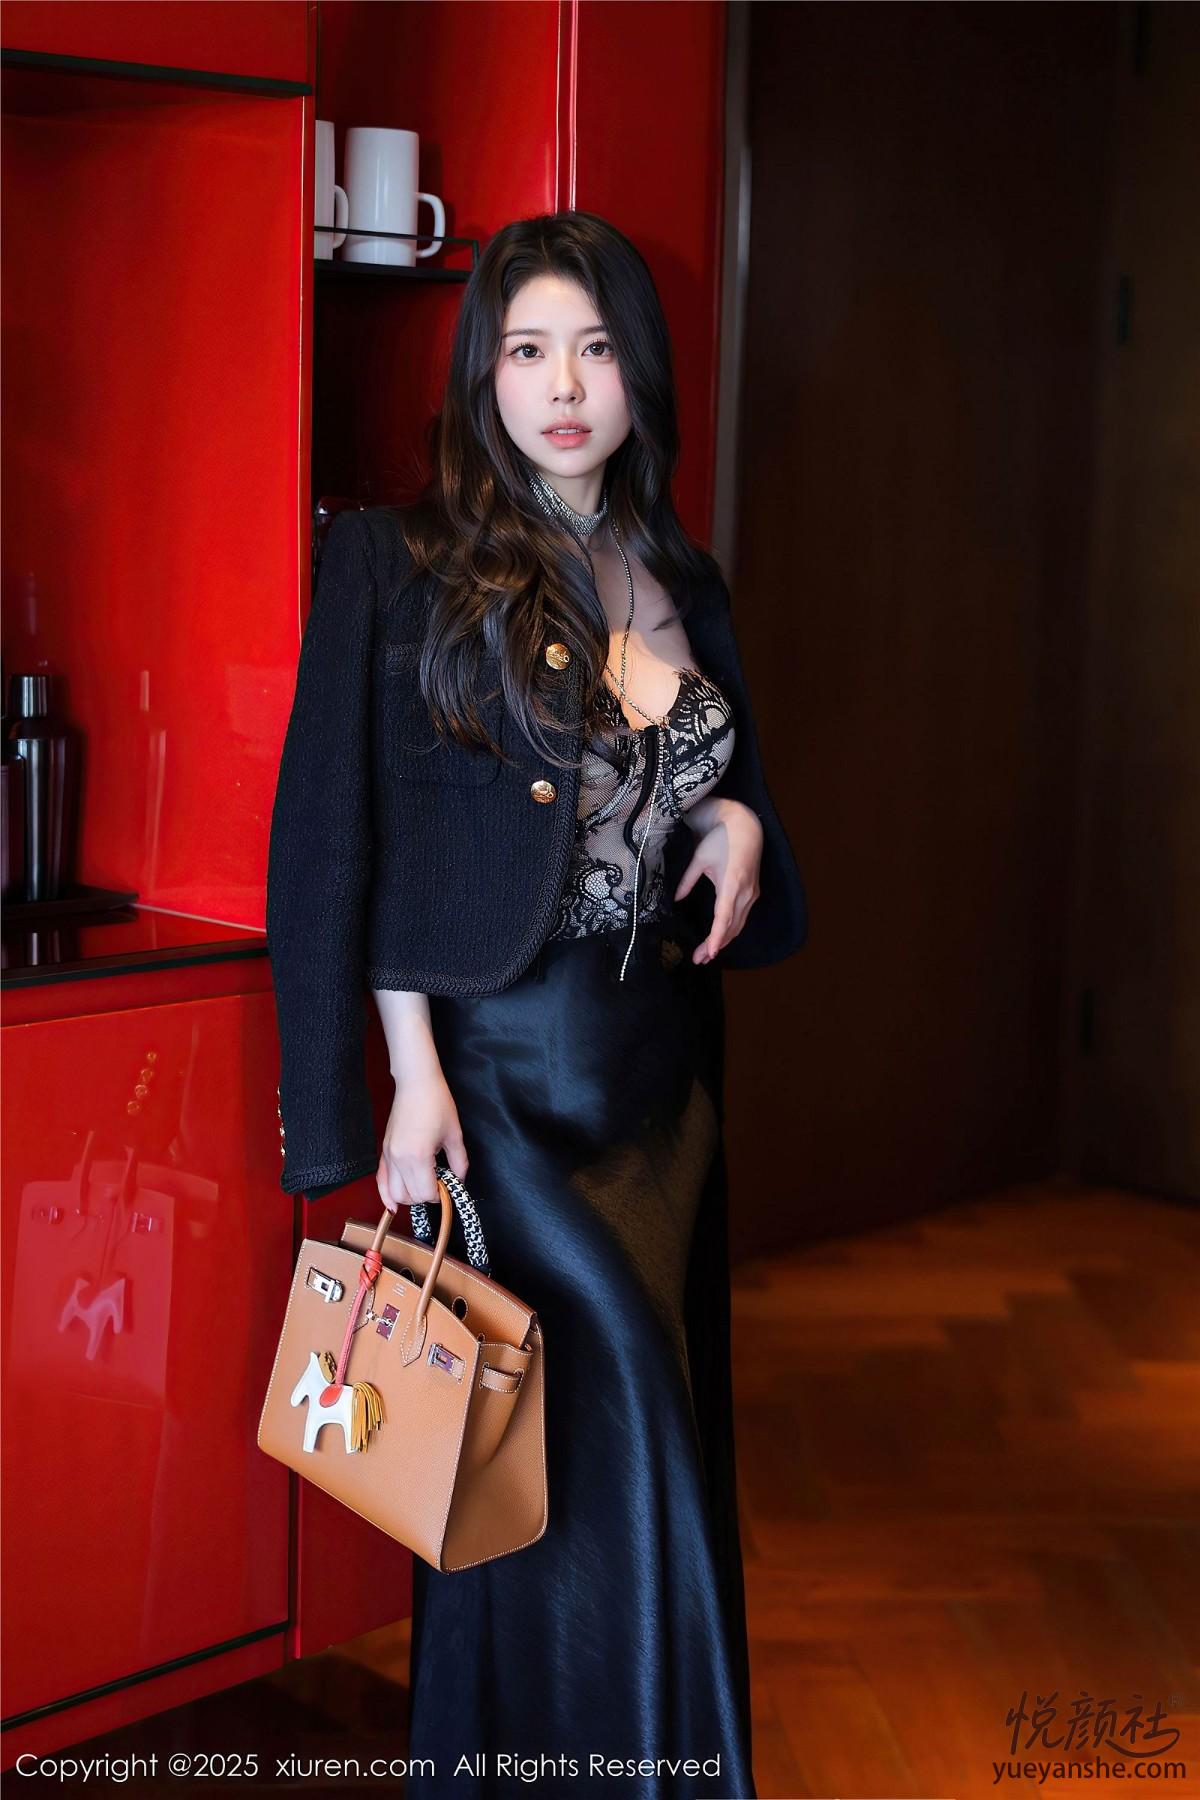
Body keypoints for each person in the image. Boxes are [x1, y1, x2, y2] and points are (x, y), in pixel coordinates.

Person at [266, 211, 808, 1800]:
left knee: (635, 1458)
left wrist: (737, 819)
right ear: (483, 371)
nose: (563, 388)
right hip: (499, 1083)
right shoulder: (398, 563)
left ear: (640, 374)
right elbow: (341, 841)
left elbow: (698, 779)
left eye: (594, 350)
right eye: (526, 350)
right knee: (552, 1451)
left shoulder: (680, 573)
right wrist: (404, 1078)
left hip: (660, 1085)